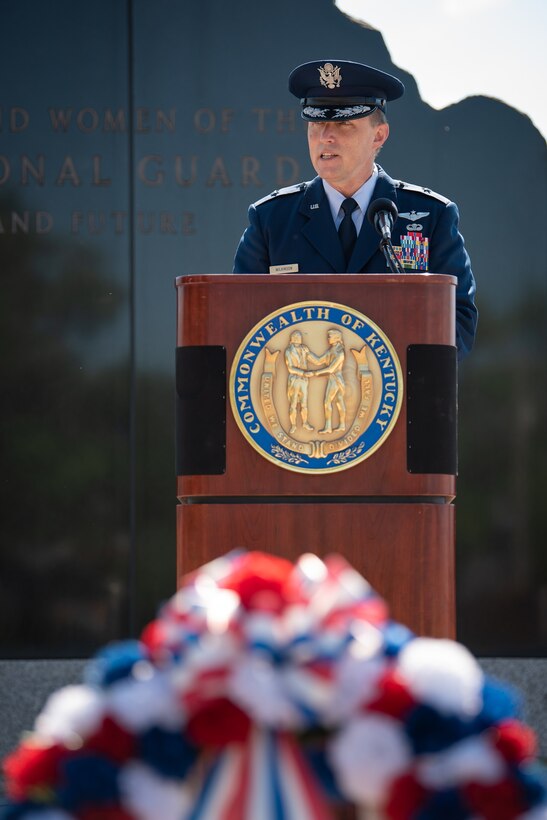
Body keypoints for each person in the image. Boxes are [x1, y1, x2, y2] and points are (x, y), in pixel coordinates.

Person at [233, 59, 478, 360]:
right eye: (317, 123)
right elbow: (239, 322)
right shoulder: (271, 219)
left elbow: (459, 323)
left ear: (379, 136)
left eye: (343, 123)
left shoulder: (431, 216)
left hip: (400, 399)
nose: (325, 136)